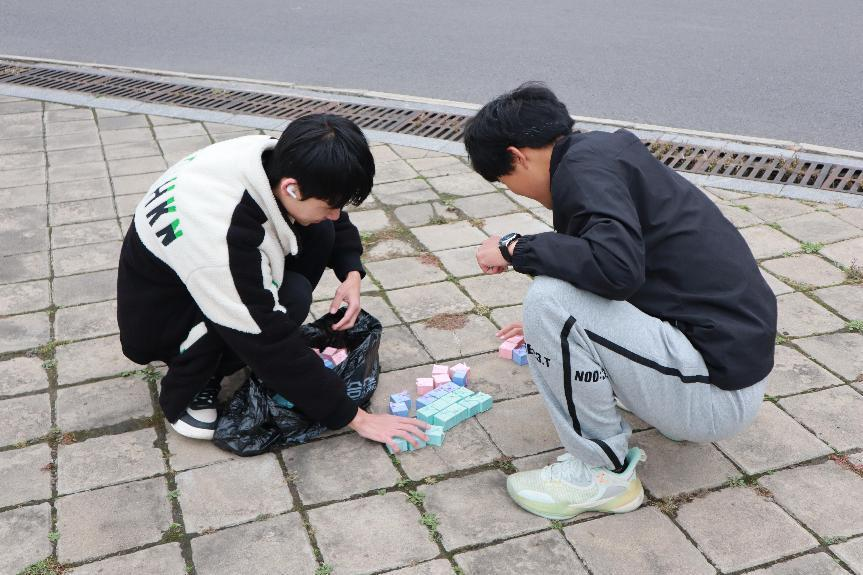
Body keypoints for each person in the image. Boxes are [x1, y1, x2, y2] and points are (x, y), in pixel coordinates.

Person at [464, 83, 776, 520]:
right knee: (556, 309)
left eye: (504, 181)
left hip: (714, 398)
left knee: (548, 299)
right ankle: (632, 425)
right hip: (729, 374)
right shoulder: (602, 155)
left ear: (517, 157)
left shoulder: (581, 172)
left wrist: (515, 247)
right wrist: (561, 332)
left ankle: (601, 475)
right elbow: (622, 270)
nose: (515, 190)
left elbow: (615, 268)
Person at [117, 114, 427, 451]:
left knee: (319, 229)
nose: (337, 213)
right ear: (291, 188)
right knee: (287, 302)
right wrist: (357, 418)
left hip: (189, 275)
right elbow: (266, 335)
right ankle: (192, 381)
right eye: (331, 205)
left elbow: (332, 217)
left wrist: (351, 273)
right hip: (162, 320)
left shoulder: (276, 159)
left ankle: (238, 346)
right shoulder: (224, 238)